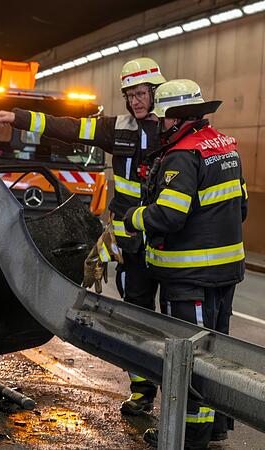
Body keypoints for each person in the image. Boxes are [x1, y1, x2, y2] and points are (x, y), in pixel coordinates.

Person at [0, 57, 165, 415]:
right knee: (135, 318)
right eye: (130, 95)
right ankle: (143, 391)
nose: (136, 101)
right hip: (131, 241)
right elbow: (66, 128)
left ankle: (191, 400)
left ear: (156, 93)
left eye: (142, 93)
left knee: (176, 322)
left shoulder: (172, 130)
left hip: (166, 239)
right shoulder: (118, 129)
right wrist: (18, 117)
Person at [123, 79, 247, 448]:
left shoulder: (182, 155)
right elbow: (243, 207)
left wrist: (134, 217)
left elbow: (170, 216)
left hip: (190, 275)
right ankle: (216, 426)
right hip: (226, 272)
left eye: (163, 120)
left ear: (176, 119)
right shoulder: (225, 146)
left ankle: (190, 435)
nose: (160, 126)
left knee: (189, 357)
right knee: (217, 354)